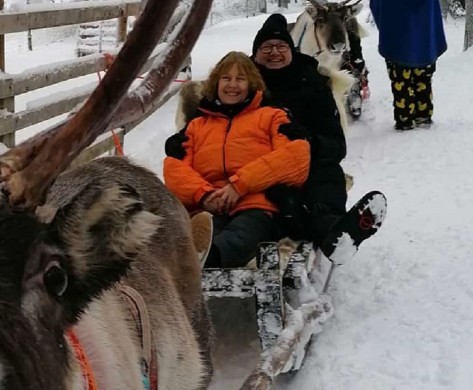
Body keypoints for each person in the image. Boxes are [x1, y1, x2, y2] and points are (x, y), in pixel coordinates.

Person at [249, 13, 386, 263]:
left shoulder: (311, 83)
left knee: (324, 174)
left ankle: (334, 233)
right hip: (255, 163)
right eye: (266, 47)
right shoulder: (243, 83)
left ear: (292, 50)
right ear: (255, 53)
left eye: (281, 46)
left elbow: (336, 144)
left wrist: (309, 141)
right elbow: (213, 116)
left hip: (304, 160)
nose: (274, 52)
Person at [163, 52, 311, 269]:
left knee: (241, 236)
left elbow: (296, 156)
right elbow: (174, 167)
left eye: (240, 79)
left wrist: (239, 185)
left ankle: (203, 262)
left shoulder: (271, 117)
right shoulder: (197, 125)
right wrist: (203, 194)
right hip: (208, 207)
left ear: (251, 84)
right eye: (226, 78)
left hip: (255, 205)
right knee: (201, 231)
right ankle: (192, 261)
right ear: (216, 83)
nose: (232, 85)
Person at [369, 0, 448, 130]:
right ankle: (423, 115)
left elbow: (376, 6)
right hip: (425, 42)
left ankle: (405, 119)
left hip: (397, 43)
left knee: (401, 83)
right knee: (423, 80)